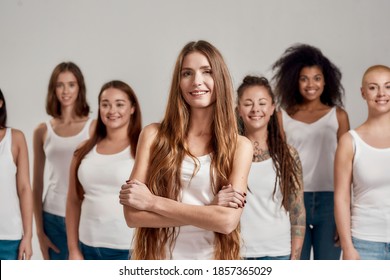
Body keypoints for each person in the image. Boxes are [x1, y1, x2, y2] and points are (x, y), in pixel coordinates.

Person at [119, 40, 253, 260]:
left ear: (219, 78)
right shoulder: (153, 135)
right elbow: (133, 215)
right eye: (187, 73)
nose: (196, 81)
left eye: (207, 71)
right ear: (178, 82)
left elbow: (227, 222)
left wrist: (152, 203)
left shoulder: (239, 146)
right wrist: (210, 210)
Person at [272, 44, 350, 260]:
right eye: (304, 78)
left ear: (326, 81)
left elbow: (348, 167)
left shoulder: (339, 116)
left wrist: (346, 214)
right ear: (295, 81)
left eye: (317, 78)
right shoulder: (282, 117)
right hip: (295, 199)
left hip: (331, 200)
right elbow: (278, 164)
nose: (311, 84)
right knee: (296, 266)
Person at [215, 76, 306, 260]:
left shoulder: (288, 155)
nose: (256, 109)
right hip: (235, 253)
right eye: (248, 103)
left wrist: (294, 260)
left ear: (272, 108)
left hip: (279, 253)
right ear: (238, 110)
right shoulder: (226, 153)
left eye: (262, 103)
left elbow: (297, 211)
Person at [66, 80, 142, 260]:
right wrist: (73, 249)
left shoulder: (142, 148)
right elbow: (72, 200)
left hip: (129, 248)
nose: (112, 110)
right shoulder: (83, 149)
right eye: (105, 104)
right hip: (87, 245)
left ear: (132, 108)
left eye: (119, 104)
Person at [32, 62, 95, 260]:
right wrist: (39, 233)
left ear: (80, 87)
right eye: (60, 85)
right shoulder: (42, 130)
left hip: (84, 215)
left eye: (71, 84)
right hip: (51, 216)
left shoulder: (93, 127)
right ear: (53, 89)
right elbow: (37, 184)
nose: (65, 91)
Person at [334, 65, 390, 260]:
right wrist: (348, 247)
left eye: (388, 86)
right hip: (365, 243)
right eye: (373, 87)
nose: (381, 93)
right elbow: (341, 197)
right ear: (363, 92)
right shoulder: (350, 141)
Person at [0, 88, 33, 260]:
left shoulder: (15, 138)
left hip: (9, 237)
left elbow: (24, 189)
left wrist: (28, 235)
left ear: (0, 103)